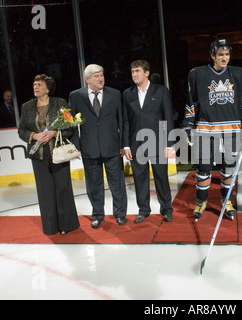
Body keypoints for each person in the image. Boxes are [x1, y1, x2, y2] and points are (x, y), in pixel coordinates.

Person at [181, 38, 242, 220]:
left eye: (227, 54)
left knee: (229, 168)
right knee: (204, 168)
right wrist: (188, 124)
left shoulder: (239, 74)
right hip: (206, 130)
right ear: (212, 55)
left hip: (232, 130)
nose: (224, 58)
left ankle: (227, 199)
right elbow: (192, 101)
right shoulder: (197, 74)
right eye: (221, 54)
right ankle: (201, 201)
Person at [18, 74, 80, 235]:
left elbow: (70, 127)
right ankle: (50, 227)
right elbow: (21, 130)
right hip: (37, 154)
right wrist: (34, 136)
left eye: (39, 84)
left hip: (57, 152)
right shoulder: (26, 107)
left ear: (48, 88)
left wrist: (54, 133)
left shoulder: (60, 103)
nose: (35, 87)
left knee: (62, 188)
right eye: (34, 84)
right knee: (45, 191)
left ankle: (67, 224)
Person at [69, 64, 128, 228]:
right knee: (93, 185)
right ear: (87, 79)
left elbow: (122, 121)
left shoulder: (114, 94)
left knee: (117, 184)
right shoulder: (76, 96)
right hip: (89, 148)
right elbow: (71, 123)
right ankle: (97, 215)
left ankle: (120, 214)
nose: (100, 78)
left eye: (101, 75)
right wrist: (76, 146)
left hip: (113, 147)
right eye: (96, 76)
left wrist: (124, 143)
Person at [122, 60, 174, 223]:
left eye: (137, 71)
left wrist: (169, 144)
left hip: (157, 142)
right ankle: (143, 209)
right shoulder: (127, 94)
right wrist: (126, 145)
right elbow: (125, 121)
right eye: (132, 71)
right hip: (136, 144)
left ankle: (166, 209)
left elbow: (168, 118)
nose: (134, 74)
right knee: (139, 178)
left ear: (146, 73)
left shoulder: (160, 91)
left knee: (161, 177)